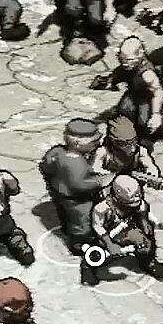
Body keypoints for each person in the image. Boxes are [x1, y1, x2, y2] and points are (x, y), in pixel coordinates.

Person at [39, 119, 111, 284]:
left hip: (59, 193)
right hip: (78, 200)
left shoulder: (57, 152)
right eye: (94, 142)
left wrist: (53, 181)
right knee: (82, 222)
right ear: (78, 143)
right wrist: (100, 181)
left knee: (65, 216)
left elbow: (45, 166)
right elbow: (80, 184)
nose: (97, 144)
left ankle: (69, 231)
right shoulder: (75, 162)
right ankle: (80, 244)